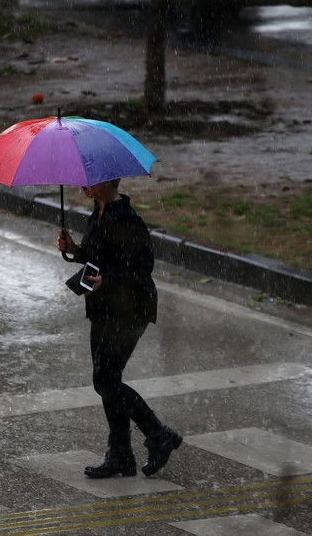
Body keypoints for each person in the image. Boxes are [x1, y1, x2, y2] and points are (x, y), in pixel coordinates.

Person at [57, 178, 182, 478]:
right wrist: (75, 249)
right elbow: (100, 256)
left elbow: (141, 268)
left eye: (90, 179)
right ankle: (121, 455)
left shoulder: (125, 218)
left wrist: (107, 281)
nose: (83, 184)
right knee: (107, 378)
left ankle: (158, 434)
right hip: (104, 307)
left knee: (105, 379)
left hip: (129, 308)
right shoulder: (98, 211)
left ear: (107, 181)